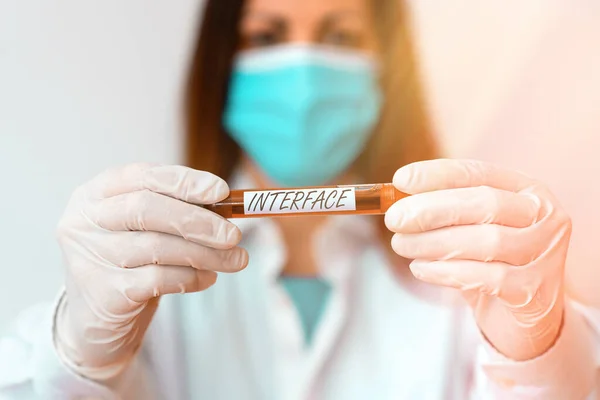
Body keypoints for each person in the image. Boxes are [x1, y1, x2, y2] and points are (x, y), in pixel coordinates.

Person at [0, 0, 598, 398]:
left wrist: (538, 346)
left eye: (340, 35)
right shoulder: (152, 270)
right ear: (222, 65)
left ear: (388, 67)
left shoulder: (464, 268)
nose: (305, 70)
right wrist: (80, 351)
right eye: (267, 35)